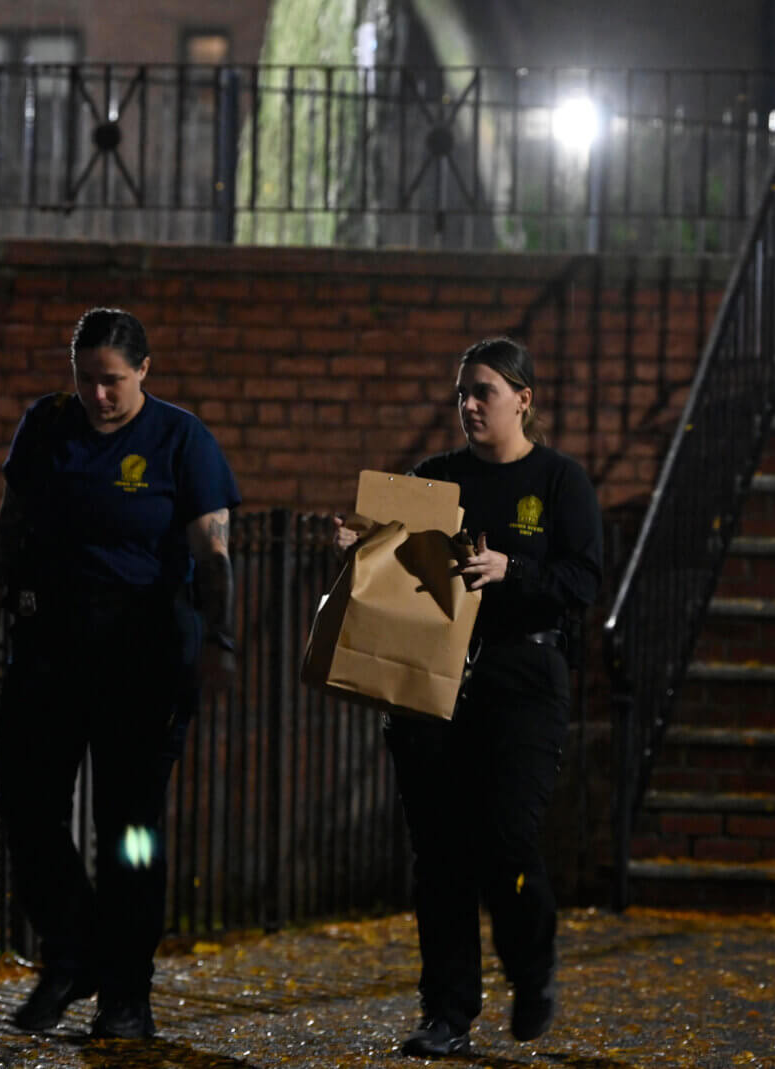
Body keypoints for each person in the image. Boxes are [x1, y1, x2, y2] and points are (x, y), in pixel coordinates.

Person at [0, 308, 240, 1040]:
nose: (98, 395)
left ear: (144, 370)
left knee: (131, 829)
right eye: (85, 379)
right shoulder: (48, 423)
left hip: (141, 654)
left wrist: (220, 638)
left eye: (112, 381)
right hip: (50, 645)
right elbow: (11, 521)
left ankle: (126, 989)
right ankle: (71, 946)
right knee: (26, 807)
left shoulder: (181, 439)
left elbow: (213, 550)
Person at [332, 337, 603, 1058]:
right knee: (440, 852)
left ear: (524, 397)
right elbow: (390, 562)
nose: (470, 404)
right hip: (435, 680)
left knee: (509, 833)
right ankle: (446, 1010)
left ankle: (531, 965)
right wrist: (357, 543)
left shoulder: (557, 481)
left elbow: (585, 581)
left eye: (484, 390)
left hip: (524, 678)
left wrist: (514, 569)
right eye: (462, 393)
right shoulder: (436, 480)